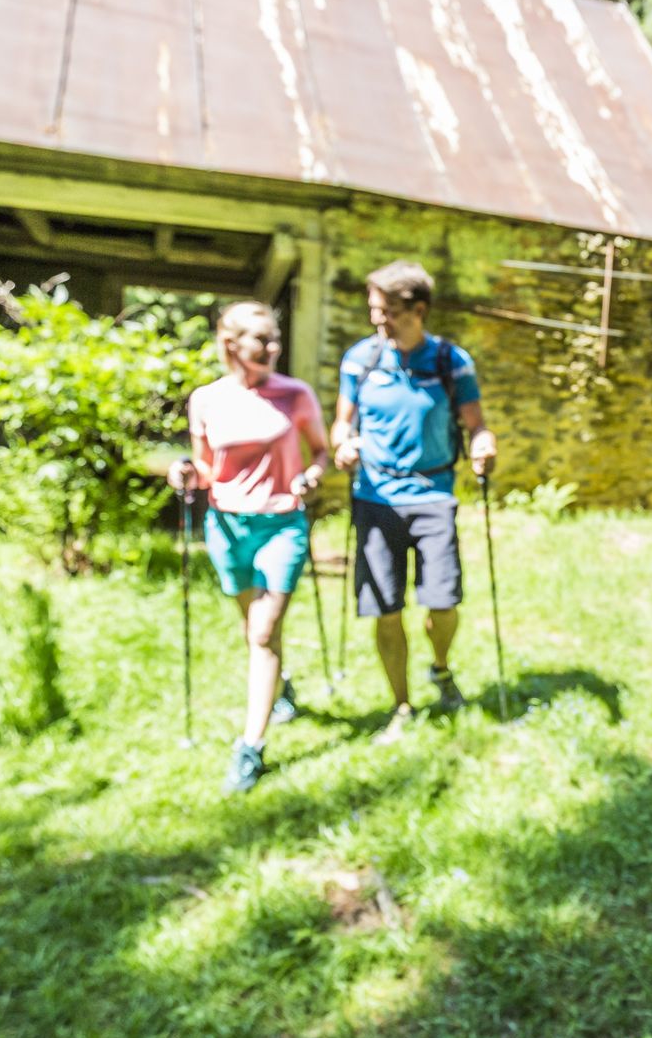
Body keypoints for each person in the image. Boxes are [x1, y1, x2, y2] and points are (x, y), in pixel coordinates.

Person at [331, 260, 497, 740]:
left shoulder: (450, 361)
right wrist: (343, 445)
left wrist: (484, 446)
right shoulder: (360, 360)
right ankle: (401, 704)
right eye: (373, 309)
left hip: (433, 497)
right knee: (386, 608)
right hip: (375, 498)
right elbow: (342, 424)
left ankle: (440, 667)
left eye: (386, 311)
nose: (376, 319)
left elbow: (477, 425)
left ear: (418, 310)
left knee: (443, 602)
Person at [171, 301, 331, 793]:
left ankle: (251, 746)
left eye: (274, 338)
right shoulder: (206, 399)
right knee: (254, 628)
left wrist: (312, 475)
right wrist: (186, 473)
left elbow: (321, 452)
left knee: (263, 632)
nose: (273, 347)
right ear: (231, 344)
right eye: (262, 339)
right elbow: (206, 468)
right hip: (227, 527)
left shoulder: (295, 394)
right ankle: (281, 688)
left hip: (282, 524)